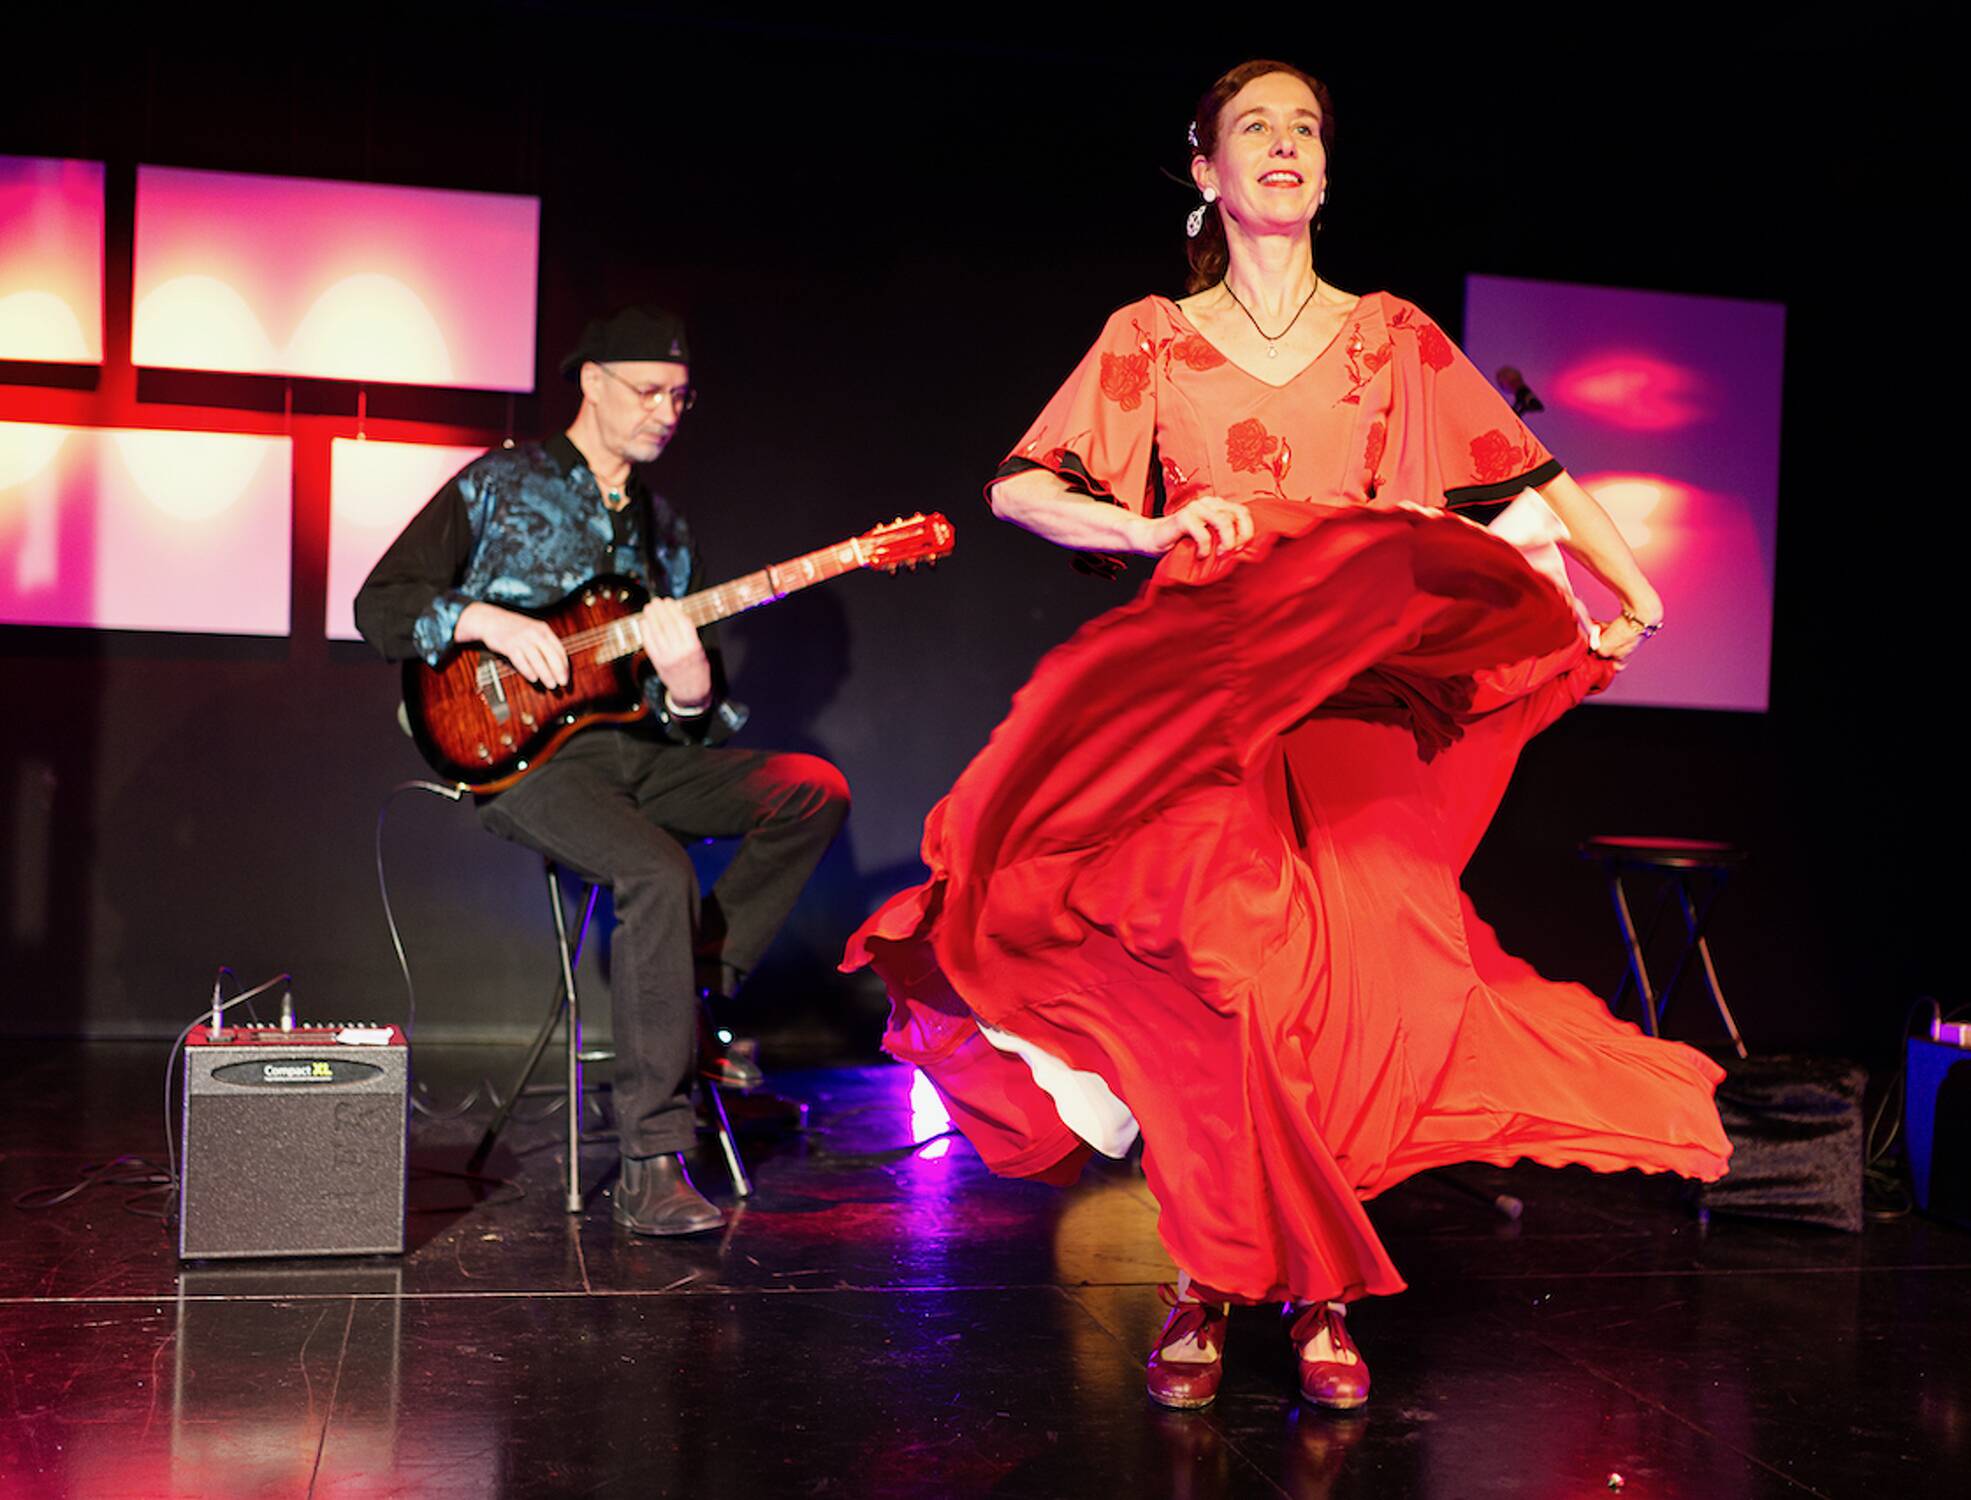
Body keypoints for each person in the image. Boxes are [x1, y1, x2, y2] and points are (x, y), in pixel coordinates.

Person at [844, 62, 1730, 1408]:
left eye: (1304, 127)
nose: (1283, 143)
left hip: (1355, 693)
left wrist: (1634, 587)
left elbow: (1526, 472)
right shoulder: (1151, 334)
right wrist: (1146, 524)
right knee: (1229, 978)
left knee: (1356, 985)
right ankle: (1208, 1280)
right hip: (1209, 691)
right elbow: (1020, 488)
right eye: (1252, 126)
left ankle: (1318, 1292)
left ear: (1324, 171)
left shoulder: (1391, 336)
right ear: (1205, 172)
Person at [357, 306, 849, 1236]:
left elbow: (688, 725)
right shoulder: (500, 484)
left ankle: (693, 1000)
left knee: (811, 790)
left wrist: (692, 689)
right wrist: (487, 621)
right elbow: (380, 603)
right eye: (649, 390)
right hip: (524, 763)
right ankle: (652, 1163)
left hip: (638, 754)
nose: (667, 411)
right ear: (591, 382)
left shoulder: (668, 535)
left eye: (681, 397)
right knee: (656, 871)